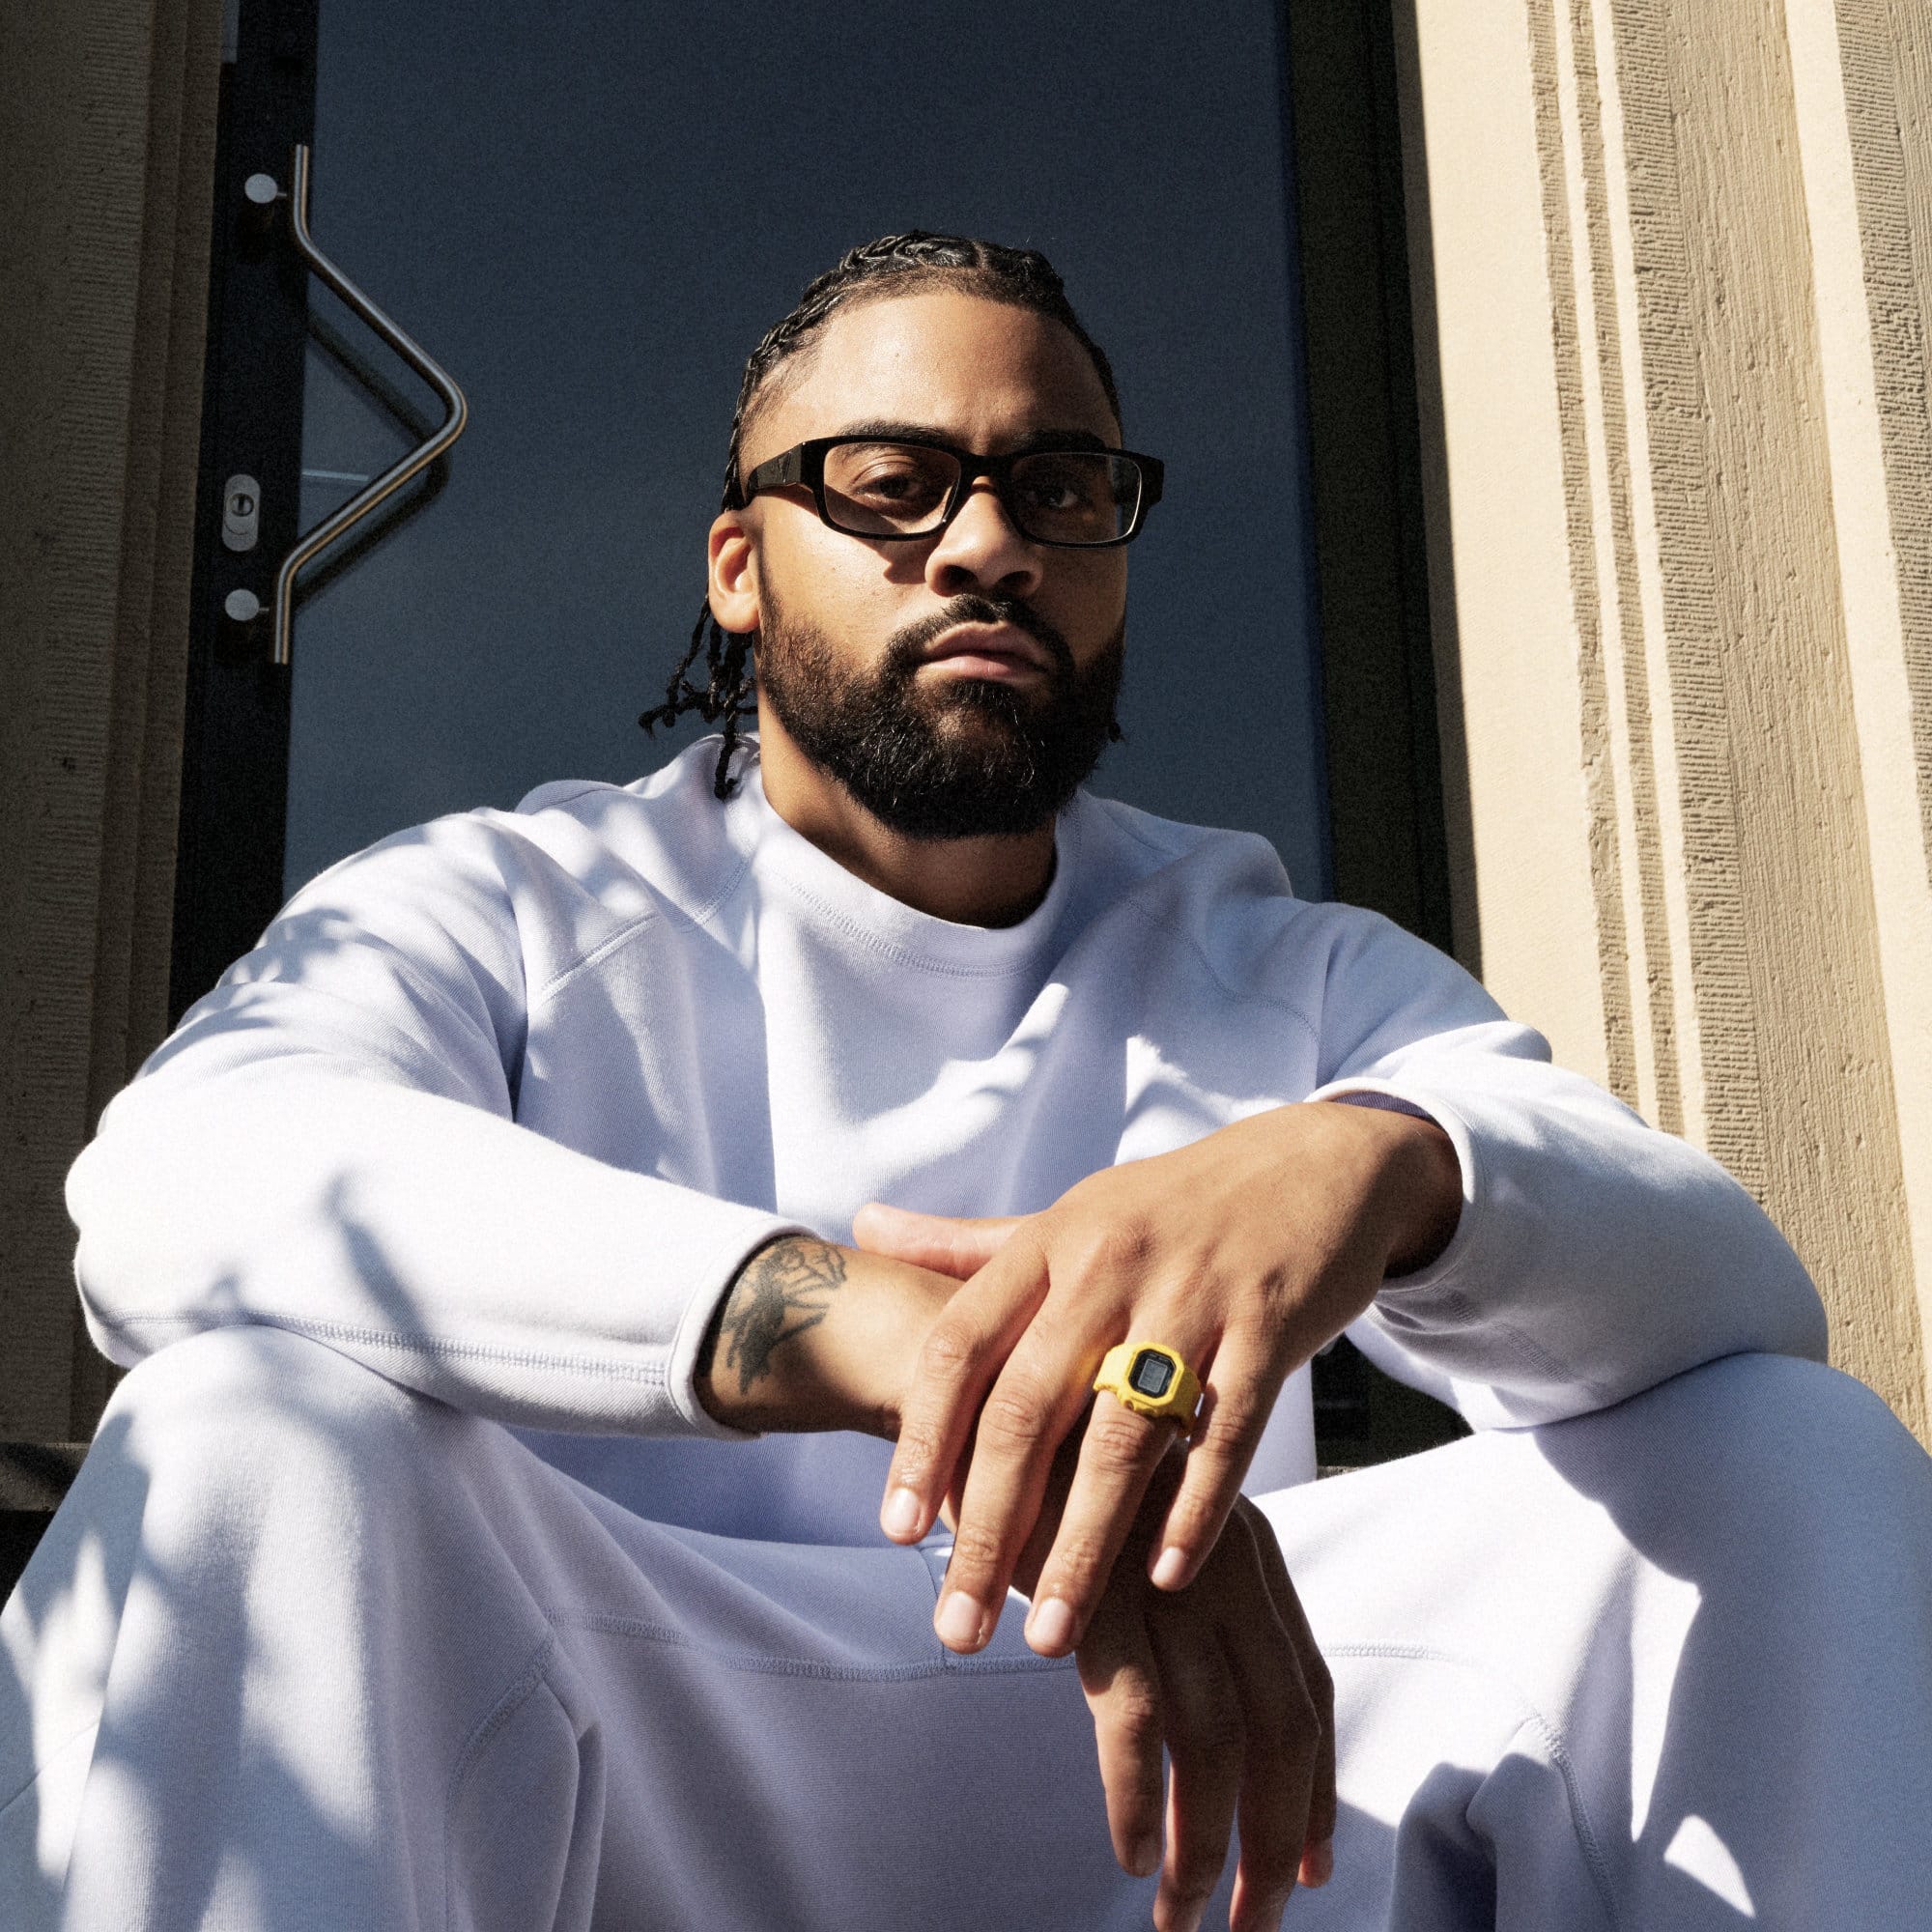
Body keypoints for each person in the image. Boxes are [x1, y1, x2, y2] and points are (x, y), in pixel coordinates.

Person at [3, 233, 1929, 1932]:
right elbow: (178, 1186)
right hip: (637, 1764)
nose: (990, 542)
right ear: (740, 567)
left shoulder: (1274, 961)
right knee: (243, 1435)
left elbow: (1742, 1293)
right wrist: (912, 1340)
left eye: (1058, 485)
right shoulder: (522, 903)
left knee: (1791, 1457)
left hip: (1191, 1807)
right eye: (894, 484)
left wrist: (1380, 1168)